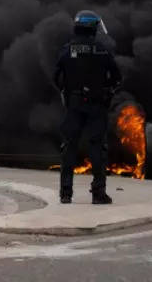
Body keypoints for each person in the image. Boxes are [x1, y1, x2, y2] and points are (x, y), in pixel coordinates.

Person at [53, 10, 122, 205]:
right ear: (93, 28)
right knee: (97, 149)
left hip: (74, 105)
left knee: (69, 148)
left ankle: (66, 193)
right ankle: (98, 193)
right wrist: (107, 92)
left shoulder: (67, 50)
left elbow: (56, 77)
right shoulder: (102, 50)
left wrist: (66, 93)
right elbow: (117, 78)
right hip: (97, 105)